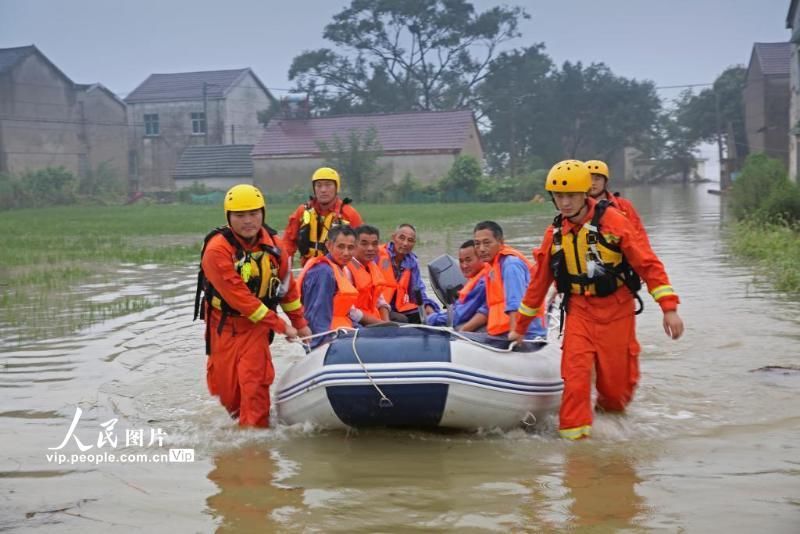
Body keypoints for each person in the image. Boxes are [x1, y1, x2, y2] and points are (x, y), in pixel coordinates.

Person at [510, 160, 685, 440]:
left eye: (570, 196)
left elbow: (648, 264)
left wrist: (669, 309)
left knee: (615, 391)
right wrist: (520, 327)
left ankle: (611, 421)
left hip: (617, 310)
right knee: (576, 380)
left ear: (584, 194)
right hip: (579, 311)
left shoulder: (614, 221)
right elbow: (538, 284)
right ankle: (576, 455)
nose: (564, 203)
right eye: (558, 196)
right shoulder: (554, 235)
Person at [196, 184, 311, 428]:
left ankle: (256, 447)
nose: (248, 221)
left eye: (254, 213)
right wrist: (281, 326)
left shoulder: (276, 248)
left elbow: (287, 291)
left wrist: (300, 325)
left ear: (263, 213)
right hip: (223, 326)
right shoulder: (217, 250)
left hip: (257, 329)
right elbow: (241, 299)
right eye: (240, 215)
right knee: (228, 396)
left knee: (255, 387)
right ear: (229, 217)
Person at [459, 221, 547, 338]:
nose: (481, 249)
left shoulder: (510, 265)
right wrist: (463, 330)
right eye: (477, 244)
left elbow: (515, 303)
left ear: (501, 242)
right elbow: (488, 307)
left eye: (487, 243)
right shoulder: (492, 267)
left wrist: (515, 333)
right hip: (501, 332)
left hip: (526, 334)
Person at [282, 166, 364, 265]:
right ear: (314, 188)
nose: (323, 190)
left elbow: (361, 248)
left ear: (336, 188)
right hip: (309, 269)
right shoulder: (302, 211)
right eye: (318, 185)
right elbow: (287, 244)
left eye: (328, 185)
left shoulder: (349, 214)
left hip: (339, 271)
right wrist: (284, 269)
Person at [297, 225, 359, 348]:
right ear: (329, 245)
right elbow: (316, 315)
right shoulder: (323, 272)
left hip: (343, 334)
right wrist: (322, 347)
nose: (346, 253)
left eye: (350, 248)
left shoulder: (340, 269)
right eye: (341, 247)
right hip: (328, 341)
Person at [377, 223, 440, 323]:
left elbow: (418, 291)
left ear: (414, 243)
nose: (405, 243)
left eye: (410, 240)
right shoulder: (377, 255)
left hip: (398, 307)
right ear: (393, 238)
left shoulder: (412, 262)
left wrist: (428, 307)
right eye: (401, 238)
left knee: (428, 314)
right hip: (378, 307)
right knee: (402, 319)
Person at [426, 240, 489, 330]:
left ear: (481, 258)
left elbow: (460, 315)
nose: (464, 266)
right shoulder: (473, 281)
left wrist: (431, 319)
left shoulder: (483, 283)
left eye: (468, 260)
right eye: (461, 261)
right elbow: (458, 309)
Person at [585, 159, 649, 244]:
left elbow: (639, 235)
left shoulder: (624, 206)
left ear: (605, 182)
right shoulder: (577, 208)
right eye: (589, 179)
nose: (593, 183)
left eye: (597, 179)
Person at [351, 225, 392, 324]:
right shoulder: (346, 269)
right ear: (354, 245)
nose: (370, 248)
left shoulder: (373, 266)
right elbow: (350, 311)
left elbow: (380, 301)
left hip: (373, 319)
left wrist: (386, 322)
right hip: (354, 322)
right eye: (364, 244)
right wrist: (379, 323)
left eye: (374, 244)